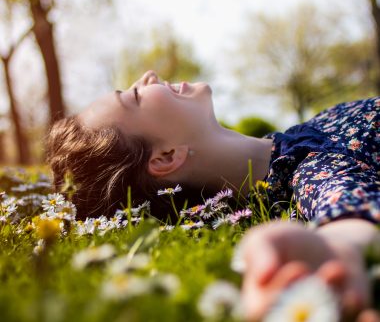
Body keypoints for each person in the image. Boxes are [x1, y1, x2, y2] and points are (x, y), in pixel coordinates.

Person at [46, 70, 380, 320]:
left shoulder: (298, 138)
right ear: (165, 157)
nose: (147, 76)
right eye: (134, 96)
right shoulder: (308, 173)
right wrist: (335, 251)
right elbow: (348, 211)